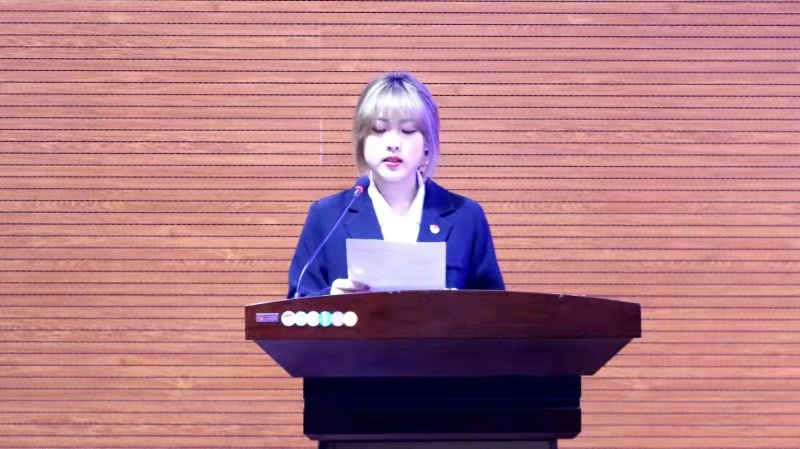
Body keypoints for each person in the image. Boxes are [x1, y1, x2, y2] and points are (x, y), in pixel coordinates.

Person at [287, 72, 504, 298]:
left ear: (428, 143)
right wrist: (331, 299)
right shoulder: (327, 216)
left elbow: (495, 309)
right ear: (361, 140)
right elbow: (296, 303)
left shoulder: (466, 216)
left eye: (408, 130)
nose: (393, 143)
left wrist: (456, 306)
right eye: (379, 130)